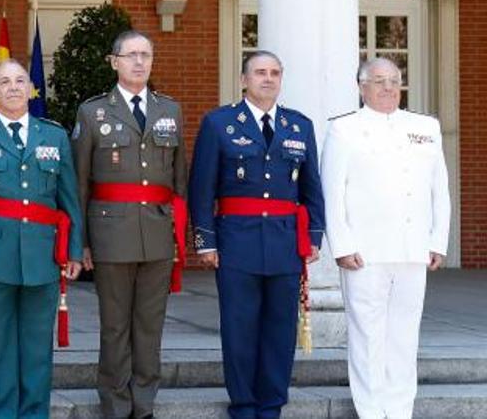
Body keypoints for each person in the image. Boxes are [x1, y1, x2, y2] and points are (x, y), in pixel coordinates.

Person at [188, 50, 325, 419]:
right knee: (239, 328)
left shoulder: (300, 126)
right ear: (244, 80)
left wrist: (313, 236)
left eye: (275, 73)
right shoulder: (219, 123)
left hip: (284, 243)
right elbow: (202, 188)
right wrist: (206, 241)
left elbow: (312, 188)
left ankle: (271, 404)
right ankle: (244, 404)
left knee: (280, 330)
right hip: (236, 241)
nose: (268, 79)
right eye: (260, 72)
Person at [0, 59, 83, 417]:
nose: (13, 87)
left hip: (43, 258)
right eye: (4, 82)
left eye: (20, 80)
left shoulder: (54, 135)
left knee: (38, 349)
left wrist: (73, 250)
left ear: (31, 89)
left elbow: (69, 200)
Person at [321, 57, 450, 419]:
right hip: (365, 251)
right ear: (362, 87)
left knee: (405, 336)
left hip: (412, 249)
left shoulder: (424, 126)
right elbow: (333, 191)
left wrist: (437, 240)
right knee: (367, 336)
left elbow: (439, 188)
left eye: (394, 80)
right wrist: (342, 246)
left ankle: (399, 409)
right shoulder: (344, 129)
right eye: (379, 81)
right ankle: (371, 410)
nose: (388, 87)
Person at [73, 30, 187, 419]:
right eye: (131, 55)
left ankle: (144, 405)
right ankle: (116, 404)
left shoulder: (169, 110)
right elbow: (79, 183)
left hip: (157, 232)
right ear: (114, 61)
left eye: (146, 55)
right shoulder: (93, 112)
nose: (139, 62)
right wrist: (81, 242)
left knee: (150, 326)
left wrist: (180, 235)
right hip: (110, 234)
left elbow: (179, 179)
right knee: (115, 327)